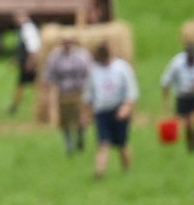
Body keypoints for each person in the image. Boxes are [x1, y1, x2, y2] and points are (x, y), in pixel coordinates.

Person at [84, 43, 138, 180]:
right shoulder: (94, 71)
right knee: (103, 143)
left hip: (119, 110)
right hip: (102, 111)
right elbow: (88, 94)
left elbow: (131, 91)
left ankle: (127, 171)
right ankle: (99, 173)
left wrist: (126, 108)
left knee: (122, 144)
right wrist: (86, 113)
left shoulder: (122, 68)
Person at [42, 34, 93, 155]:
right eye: (64, 42)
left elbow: (90, 73)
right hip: (63, 92)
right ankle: (68, 145)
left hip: (78, 91)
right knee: (64, 120)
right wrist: (46, 95)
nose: (67, 45)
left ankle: (80, 137)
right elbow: (48, 76)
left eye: (69, 42)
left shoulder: (82, 55)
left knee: (80, 117)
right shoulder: (54, 57)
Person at [7, 10, 40, 115]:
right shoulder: (24, 29)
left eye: (18, 18)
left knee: (28, 85)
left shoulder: (28, 29)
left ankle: (15, 107)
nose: (16, 20)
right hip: (26, 61)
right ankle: (14, 106)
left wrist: (30, 62)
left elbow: (33, 47)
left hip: (29, 62)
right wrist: (17, 59)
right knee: (23, 84)